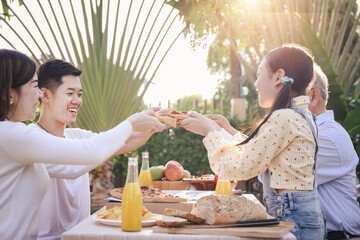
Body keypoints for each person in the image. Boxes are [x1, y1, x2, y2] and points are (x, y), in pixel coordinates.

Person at [0, 49, 165, 240]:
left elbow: (111, 144)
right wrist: (131, 123)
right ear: (9, 94)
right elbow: (90, 153)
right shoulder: (12, 135)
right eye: (34, 86)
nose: (38, 95)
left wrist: (152, 124)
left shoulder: (13, 134)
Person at [179, 44, 326, 239]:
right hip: (304, 216)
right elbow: (259, 148)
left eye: (258, 75)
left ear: (278, 76)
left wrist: (209, 133)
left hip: (294, 220)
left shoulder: (283, 118)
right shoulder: (300, 115)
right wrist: (224, 130)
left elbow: (239, 167)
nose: (255, 84)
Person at [308, 64, 360, 239]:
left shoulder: (326, 136)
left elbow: (282, 173)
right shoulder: (314, 133)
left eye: (287, 97)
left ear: (313, 96)